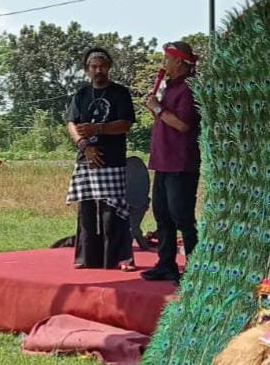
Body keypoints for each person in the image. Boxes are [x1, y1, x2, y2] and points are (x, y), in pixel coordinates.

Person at [65, 47, 135, 270]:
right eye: (94, 67)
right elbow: (71, 124)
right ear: (87, 70)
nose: (98, 70)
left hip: (111, 160)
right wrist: (84, 145)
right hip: (86, 158)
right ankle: (86, 258)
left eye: (102, 66)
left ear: (109, 67)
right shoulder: (81, 94)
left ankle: (121, 258)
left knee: (112, 213)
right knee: (86, 212)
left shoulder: (120, 93)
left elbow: (125, 124)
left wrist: (98, 128)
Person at [141, 40, 201, 284]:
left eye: (167, 58)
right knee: (162, 216)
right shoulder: (169, 88)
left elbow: (183, 124)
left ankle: (195, 268)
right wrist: (155, 107)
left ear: (178, 61)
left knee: (182, 217)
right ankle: (166, 264)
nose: (164, 64)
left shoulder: (188, 89)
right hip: (163, 162)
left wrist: (157, 109)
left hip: (181, 164)